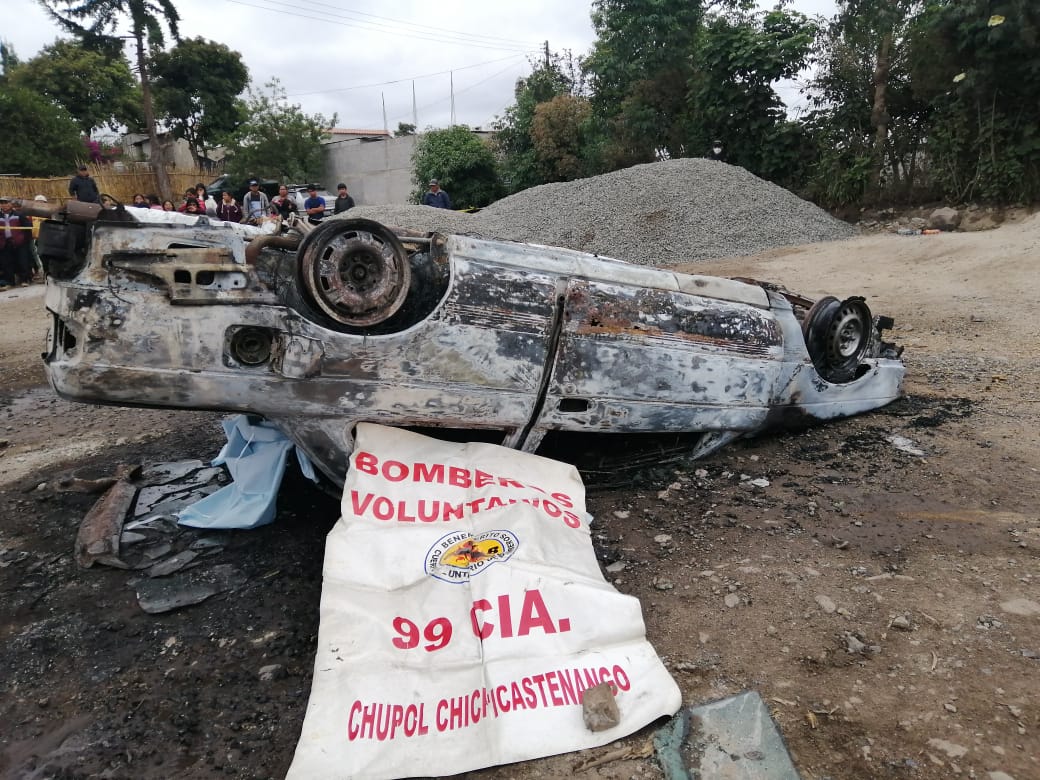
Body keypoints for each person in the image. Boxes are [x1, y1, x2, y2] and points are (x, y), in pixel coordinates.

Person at [0, 195, 34, 289]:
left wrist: (25, 239)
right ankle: (10, 282)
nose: (4, 205)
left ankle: (24, 280)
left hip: (19, 241)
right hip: (4, 243)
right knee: (7, 263)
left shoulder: (19, 215)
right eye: (2, 203)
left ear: (11, 204)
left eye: (6, 203)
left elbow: (28, 226)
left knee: (22, 260)